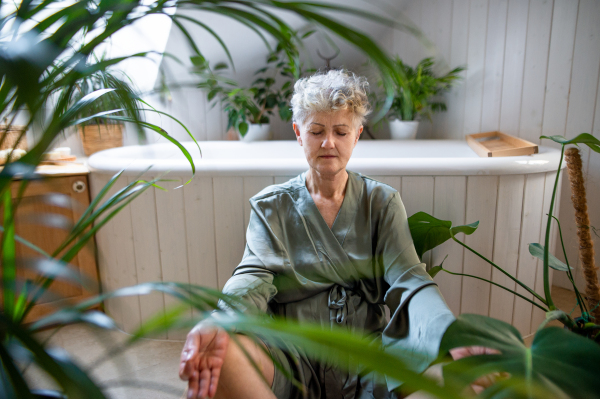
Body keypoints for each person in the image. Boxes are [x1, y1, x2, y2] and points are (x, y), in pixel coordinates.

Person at [179, 70, 478, 399]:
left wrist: (449, 332)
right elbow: (251, 277)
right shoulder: (272, 208)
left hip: (371, 360)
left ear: (357, 134)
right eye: (317, 131)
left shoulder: (381, 204)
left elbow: (412, 281)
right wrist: (219, 320)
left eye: (340, 131)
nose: (328, 143)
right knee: (220, 355)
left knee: (450, 372)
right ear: (298, 133)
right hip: (292, 361)